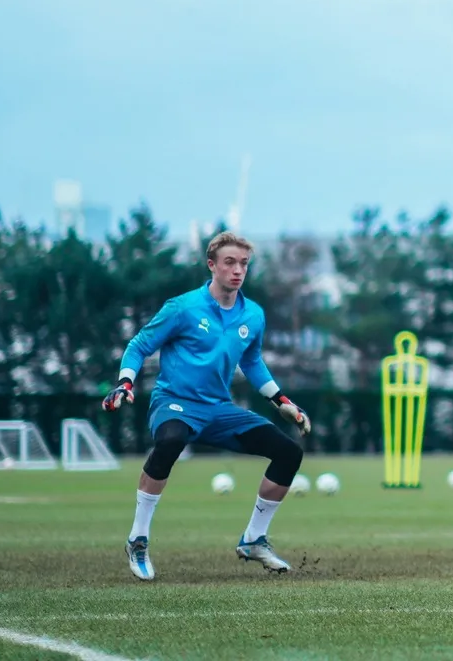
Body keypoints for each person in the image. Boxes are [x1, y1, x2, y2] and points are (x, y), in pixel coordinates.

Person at [100, 231, 313, 581]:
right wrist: (125, 382)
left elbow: (253, 362)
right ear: (211, 265)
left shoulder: (253, 315)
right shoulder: (182, 308)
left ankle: (253, 540)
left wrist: (281, 400)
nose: (238, 270)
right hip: (174, 403)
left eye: (244, 263)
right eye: (230, 262)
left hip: (218, 409)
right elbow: (138, 346)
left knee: (289, 452)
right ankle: (138, 539)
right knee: (169, 442)